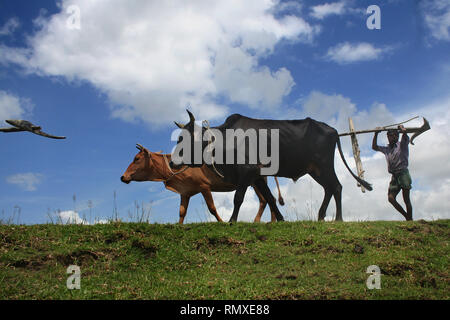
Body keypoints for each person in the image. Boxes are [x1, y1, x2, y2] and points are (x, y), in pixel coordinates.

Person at [372, 125, 413, 220]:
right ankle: (406, 216)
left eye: (393, 136)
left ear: (397, 136)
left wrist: (403, 130)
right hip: (394, 176)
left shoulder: (402, 145)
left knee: (406, 199)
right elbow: (374, 147)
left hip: (403, 174)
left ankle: (410, 219)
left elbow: (405, 137)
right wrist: (376, 134)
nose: (391, 138)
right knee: (391, 198)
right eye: (389, 136)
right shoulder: (387, 149)